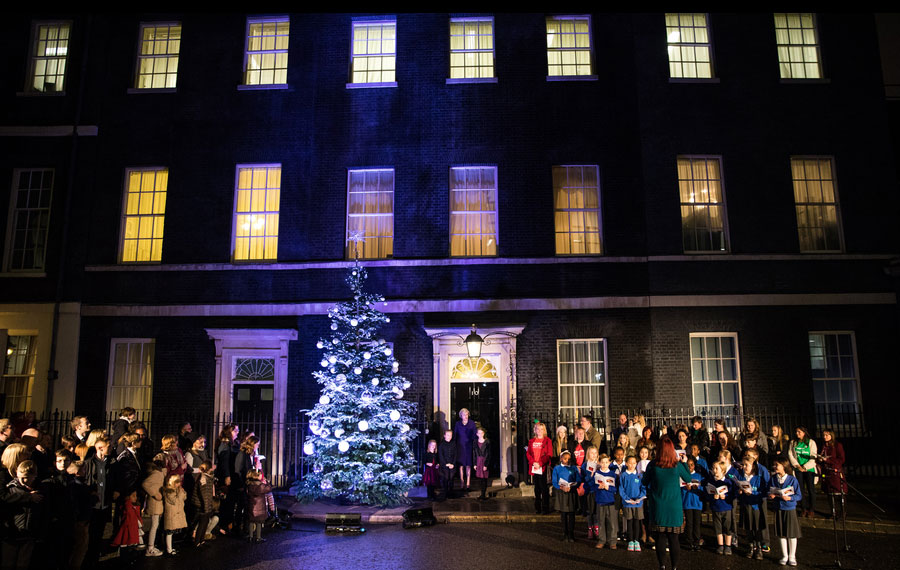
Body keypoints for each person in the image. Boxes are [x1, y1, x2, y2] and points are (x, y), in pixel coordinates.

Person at [641, 436, 692, 570]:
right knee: (674, 539)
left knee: (660, 539)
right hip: (674, 506)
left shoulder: (653, 465)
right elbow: (688, 478)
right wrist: (685, 462)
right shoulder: (676, 465)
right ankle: (674, 567)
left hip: (658, 506)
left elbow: (644, 482)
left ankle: (662, 566)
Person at [2, 460, 45, 569]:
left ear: (34, 476)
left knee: (23, 562)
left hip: (29, 533)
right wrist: (28, 497)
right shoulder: (11, 489)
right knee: (8, 562)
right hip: (12, 533)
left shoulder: (41, 490)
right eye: (19, 476)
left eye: (25, 477)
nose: (21, 480)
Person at [769, 458, 802, 566]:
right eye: (774, 465)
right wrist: (771, 495)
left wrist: (790, 498)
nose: (775, 467)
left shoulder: (792, 479)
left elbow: (799, 495)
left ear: (784, 466)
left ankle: (792, 556)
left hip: (789, 508)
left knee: (792, 533)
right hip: (779, 508)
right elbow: (769, 490)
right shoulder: (773, 478)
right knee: (781, 533)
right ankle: (784, 555)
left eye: (777, 465)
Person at [736, 456, 765, 559]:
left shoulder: (758, 477)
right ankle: (751, 546)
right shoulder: (741, 476)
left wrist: (752, 492)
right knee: (748, 527)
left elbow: (762, 492)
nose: (744, 467)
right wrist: (739, 492)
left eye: (746, 465)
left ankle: (759, 548)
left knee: (757, 528)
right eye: (743, 465)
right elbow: (737, 489)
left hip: (755, 506)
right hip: (745, 505)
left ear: (753, 466)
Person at [551, 450, 581, 542]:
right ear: (561, 459)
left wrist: (572, 486)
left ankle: (571, 534)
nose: (567, 460)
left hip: (571, 492)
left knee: (572, 514)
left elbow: (578, 480)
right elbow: (554, 481)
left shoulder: (574, 468)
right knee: (563, 514)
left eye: (568, 459)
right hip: (562, 492)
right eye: (565, 458)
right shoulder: (557, 468)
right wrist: (561, 487)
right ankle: (565, 533)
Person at [589, 453, 618, 550]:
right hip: (600, 501)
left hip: (610, 501)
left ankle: (612, 541)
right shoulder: (597, 474)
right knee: (601, 522)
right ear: (599, 463)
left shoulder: (612, 474)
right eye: (602, 462)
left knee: (612, 522)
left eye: (606, 462)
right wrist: (599, 487)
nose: (604, 464)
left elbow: (615, 489)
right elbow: (592, 487)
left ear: (609, 463)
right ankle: (602, 540)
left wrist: (608, 487)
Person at [619, 454, 646, 552]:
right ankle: (630, 540)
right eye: (630, 463)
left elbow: (643, 488)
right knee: (629, 522)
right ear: (626, 463)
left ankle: (636, 540)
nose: (632, 465)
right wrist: (627, 499)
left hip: (638, 503)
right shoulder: (623, 475)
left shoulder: (639, 475)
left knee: (637, 522)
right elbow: (621, 489)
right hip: (628, 503)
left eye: (634, 463)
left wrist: (639, 498)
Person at [788, 426, 817, 518]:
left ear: (804, 433)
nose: (797, 433)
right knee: (800, 489)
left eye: (799, 432)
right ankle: (803, 508)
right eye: (796, 432)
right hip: (798, 469)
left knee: (810, 489)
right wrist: (797, 465)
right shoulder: (793, 443)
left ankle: (811, 509)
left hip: (809, 469)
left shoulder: (811, 442)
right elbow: (791, 454)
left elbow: (813, 455)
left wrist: (805, 467)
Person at [707, 460, 735, 555]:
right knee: (717, 527)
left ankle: (728, 546)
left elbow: (732, 494)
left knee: (727, 527)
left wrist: (726, 496)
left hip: (726, 507)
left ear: (723, 470)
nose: (714, 471)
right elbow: (708, 493)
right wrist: (712, 497)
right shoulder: (711, 481)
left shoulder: (728, 482)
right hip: (716, 507)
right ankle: (720, 545)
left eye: (716, 469)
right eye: (713, 468)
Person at [216, 424, 240, 532]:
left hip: (231, 475)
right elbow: (224, 462)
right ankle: (224, 525)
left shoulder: (232, 444)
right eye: (235, 431)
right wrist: (227, 476)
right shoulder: (225, 445)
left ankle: (228, 523)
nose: (237, 432)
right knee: (226, 502)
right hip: (227, 476)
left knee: (230, 501)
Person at [142, 456, 166, 557]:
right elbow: (145, 484)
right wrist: (155, 494)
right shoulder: (157, 474)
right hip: (155, 502)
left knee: (155, 525)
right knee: (154, 525)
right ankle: (150, 547)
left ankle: (151, 546)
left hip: (157, 502)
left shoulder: (159, 473)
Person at [526, 422, 552, 515]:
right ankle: (538, 508)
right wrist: (534, 463)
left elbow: (549, 454)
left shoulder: (547, 440)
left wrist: (540, 463)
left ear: (544, 430)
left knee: (544, 488)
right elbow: (528, 453)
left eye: (541, 429)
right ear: (535, 430)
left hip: (543, 467)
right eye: (537, 429)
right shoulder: (531, 441)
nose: (539, 431)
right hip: (534, 467)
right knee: (536, 488)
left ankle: (545, 508)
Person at [191, 460, 218, 545]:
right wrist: (206, 508)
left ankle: (201, 540)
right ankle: (197, 541)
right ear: (209, 468)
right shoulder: (204, 478)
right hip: (201, 505)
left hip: (203, 504)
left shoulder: (207, 477)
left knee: (205, 522)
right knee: (202, 523)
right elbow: (204, 494)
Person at [681, 457, 704, 551]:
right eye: (688, 465)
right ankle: (689, 541)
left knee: (697, 523)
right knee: (689, 523)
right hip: (687, 502)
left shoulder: (698, 476)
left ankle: (697, 541)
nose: (690, 467)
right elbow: (680, 488)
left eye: (691, 465)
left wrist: (697, 488)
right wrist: (686, 488)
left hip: (697, 503)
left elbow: (702, 489)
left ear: (694, 465)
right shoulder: (683, 475)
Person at [453, 408, 477, 492]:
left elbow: (475, 435)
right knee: (461, 466)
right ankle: (462, 482)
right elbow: (455, 435)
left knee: (468, 465)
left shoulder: (472, 423)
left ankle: (468, 483)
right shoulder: (457, 424)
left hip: (468, 447)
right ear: (461, 416)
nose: (465, 416)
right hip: (460, 447)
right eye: (464, 415)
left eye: (467, 414)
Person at [245, 469, 271, 544]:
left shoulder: (249, 485)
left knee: (251, 522)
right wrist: (267, 483)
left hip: (251, 506)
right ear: (257, 476)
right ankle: (258, 537)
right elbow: (268, 489)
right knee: (259, 523)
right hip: (260, 508)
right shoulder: (261, 486)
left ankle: (250, 536)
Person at [163, 474, 187, 555]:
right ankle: (169, 550)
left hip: (175, 514)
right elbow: (174, 501)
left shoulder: (177, 490)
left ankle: (170, 548)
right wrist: (180, 493)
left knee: (172, 532)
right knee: (169, 532)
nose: (179, 484)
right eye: (177, 482)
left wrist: (182, 492)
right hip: (171, 514)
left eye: (179, 482)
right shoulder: (169, 491)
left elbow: (184, 498)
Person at [819, 428, 847, 496]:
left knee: (838, 492)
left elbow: (841, 459)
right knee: (829, 492)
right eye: (823, 435)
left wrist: (828, 460)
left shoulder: (837, 445)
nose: (824, 437)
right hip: (826, 471)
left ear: (831, 435)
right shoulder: (823, 445)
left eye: (826, 435)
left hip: (835, 472)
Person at [581, 446, 600, 540]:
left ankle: (596, 528)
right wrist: (591, 475)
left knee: (596, 511)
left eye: (595, 453)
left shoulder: (599, 464)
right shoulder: (585, 465)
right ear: (588, 454)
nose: (593, 455)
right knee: (590, 511)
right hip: (589, 490)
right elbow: (584, 479)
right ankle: (590, 528)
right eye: (591, 453)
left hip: (597, 490)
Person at [472, 427, 491, 500]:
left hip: (484, 460)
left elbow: (489, 454)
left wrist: (486, 464)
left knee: (484, 478)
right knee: (480, 478)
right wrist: (474, 463)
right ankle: (482, 494)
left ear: (484, 433)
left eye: (481, 433)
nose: (480, 434)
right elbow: (474, 453)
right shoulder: (475, 442)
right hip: (478, 461)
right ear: (477, 434)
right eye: (478, 433)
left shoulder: (487, 442)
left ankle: (483, 494)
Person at [438, 430, 457, 501]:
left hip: (452, 464)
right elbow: (441, 455)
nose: (449, 437)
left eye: (450, 435)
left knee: (451, 479)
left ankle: (451, 493)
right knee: (446, 478)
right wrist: (445, 464)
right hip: (444, 464)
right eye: (448, 435)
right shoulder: (441, 444)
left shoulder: (453, 444)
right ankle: (445, 493)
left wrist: (453, 463)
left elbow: (455, 454)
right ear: (445, 436)